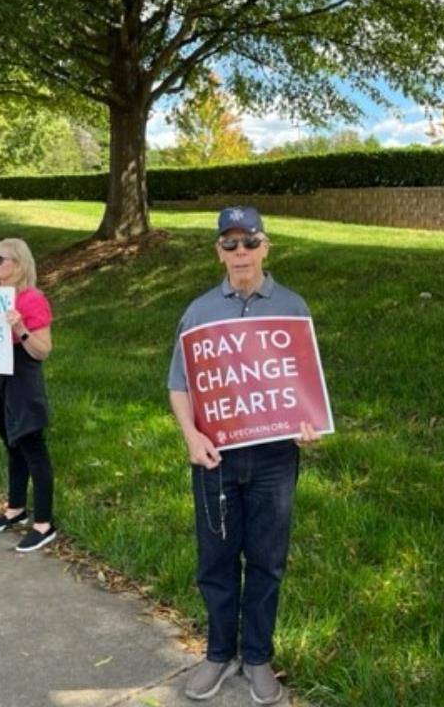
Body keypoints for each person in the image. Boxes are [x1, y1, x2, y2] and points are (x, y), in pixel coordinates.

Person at [168, 206, 318, 705]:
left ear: (266, 246)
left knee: (268, 561)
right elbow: (179, 385)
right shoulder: (199, 311)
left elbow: (303, 385)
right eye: (229, 245)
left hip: (275, 457)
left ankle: (256, 656)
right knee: (216, 559)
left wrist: (308, 422)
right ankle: (217, 652)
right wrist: (191, 435)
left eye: (248, 242)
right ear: (218, 251)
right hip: (217, 458)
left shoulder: (293, 307)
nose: (240, 253)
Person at [0, 238, 57, 553]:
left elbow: (43, 350)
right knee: (12, 445)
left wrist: (20, 327)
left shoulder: (31, 300)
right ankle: (15, 507)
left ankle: (44, 523)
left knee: (33, 446)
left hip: (22, 379)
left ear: (18, 265)